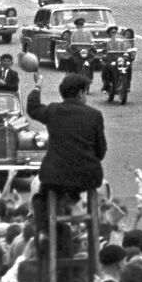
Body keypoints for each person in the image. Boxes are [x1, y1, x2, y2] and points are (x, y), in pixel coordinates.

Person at [27, 73, 108, 206]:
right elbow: (101, 151)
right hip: (89, 177)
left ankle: (45, 225)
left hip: (55, 177)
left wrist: (38, 85)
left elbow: (33, 108)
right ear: (81, 93)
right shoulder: (94, 115)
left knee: (40, 197)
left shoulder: (53, 111)